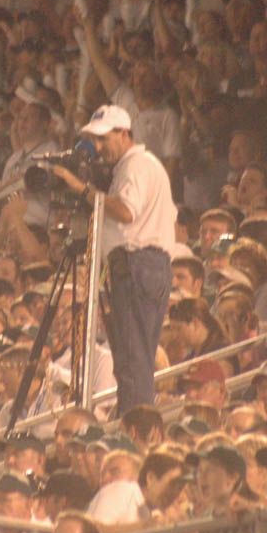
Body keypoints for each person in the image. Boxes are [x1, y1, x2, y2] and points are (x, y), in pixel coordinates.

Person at [51, 105, 176, 415]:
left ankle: (136, 426)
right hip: (138, 265)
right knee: (130, 359)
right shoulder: (130, 167)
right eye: (95, 139)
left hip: (138, 264)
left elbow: (125, 211)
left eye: (104, 138)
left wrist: (81, 189)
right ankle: (133, 417)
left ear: (124, 134)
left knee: (133, 359)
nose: (98, 146)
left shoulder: (137, 164)